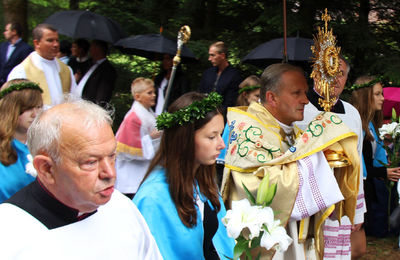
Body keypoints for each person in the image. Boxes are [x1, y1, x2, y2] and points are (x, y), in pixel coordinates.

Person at [221, 63, 360, 259]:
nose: (305, 100)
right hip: (266, 247)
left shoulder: (291, 132)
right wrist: (314, 161)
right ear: (272, 97)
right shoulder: (249, 131)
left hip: (294, 239)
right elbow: (256, 188)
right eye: (297, 93)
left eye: (305, 92)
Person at [0, 97, 162, 259]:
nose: (110, 174)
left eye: (112, 156)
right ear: (47, 168)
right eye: (90, 162)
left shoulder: (122, 206)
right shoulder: (10, 232)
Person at [133, 92, 235, 259]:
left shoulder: (203, 181)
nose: (221, 145)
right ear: (185, 139)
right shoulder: (153, 198)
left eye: (220, 134)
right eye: (211, 137)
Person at [296, 56, 367, 259]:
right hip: (307, 200)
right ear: (316, 74)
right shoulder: (301, 108)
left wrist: (358, 210)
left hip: (341, 196)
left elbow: (357, 162)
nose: (336, 79)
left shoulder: (352, 112)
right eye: (330, 73)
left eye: (342, 74)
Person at [350, 75, 400, 238]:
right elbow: (358, 167)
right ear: (365, 96)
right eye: (377, 94)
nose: (383, 98)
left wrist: (385, 164)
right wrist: (383, 172)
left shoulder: (370, 123)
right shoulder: (356, 124)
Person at [7, 23, 76, 108]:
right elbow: (14, 105)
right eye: (50, 40)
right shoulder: (22, 71)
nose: (56, 44)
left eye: (57, 40)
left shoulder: (66, 70)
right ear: (37, 43)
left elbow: (75, 99)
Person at [115, 77, 161, 198]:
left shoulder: (148, 113)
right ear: (137, 96)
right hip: (131, 177)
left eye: (154, 92)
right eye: (149, 93)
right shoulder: (133, 118)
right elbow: (127, 149)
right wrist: (151, 138)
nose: (154, 95)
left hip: (143, 173)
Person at [0, 79, 42, 203]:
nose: (35, 114)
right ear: (11, 109)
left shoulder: (46, 143)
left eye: (38, 107)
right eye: (28, 108)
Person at [198, 41, 242, 110]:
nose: (209, 59)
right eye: (209, 55)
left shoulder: (234, 75)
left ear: (222, 56)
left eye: (213, 55)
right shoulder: (208, 73)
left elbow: (231, 101)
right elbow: (200, 93)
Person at [73, 40, 116, 106]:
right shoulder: (89, 64)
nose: (89, 49)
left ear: (98, 49)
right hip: (77, 103)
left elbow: (103, 95)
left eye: (92, 47)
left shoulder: (108, 70)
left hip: (88, 107)